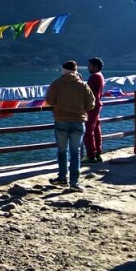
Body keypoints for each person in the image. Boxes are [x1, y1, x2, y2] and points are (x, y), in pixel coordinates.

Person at [46, 60, 95, 192]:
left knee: (62, 151)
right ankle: (74, 183)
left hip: (61, 120)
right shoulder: (83, 85)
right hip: (78, 121)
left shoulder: (56, 84)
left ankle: (62, 178)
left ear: (63, 70)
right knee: (75, 153)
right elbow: (91, 104)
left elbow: (50, 101)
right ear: (75, 71)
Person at [83, 57, 105, 163]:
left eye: (90, 65)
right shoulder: (100, 76)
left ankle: (91, 155)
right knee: (96, 129)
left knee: (88, 131)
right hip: (97, 106)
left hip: (92, 107)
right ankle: (98, 153)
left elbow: (87, 92)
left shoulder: (94, 77)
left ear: (95, 66)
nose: (88, 67)